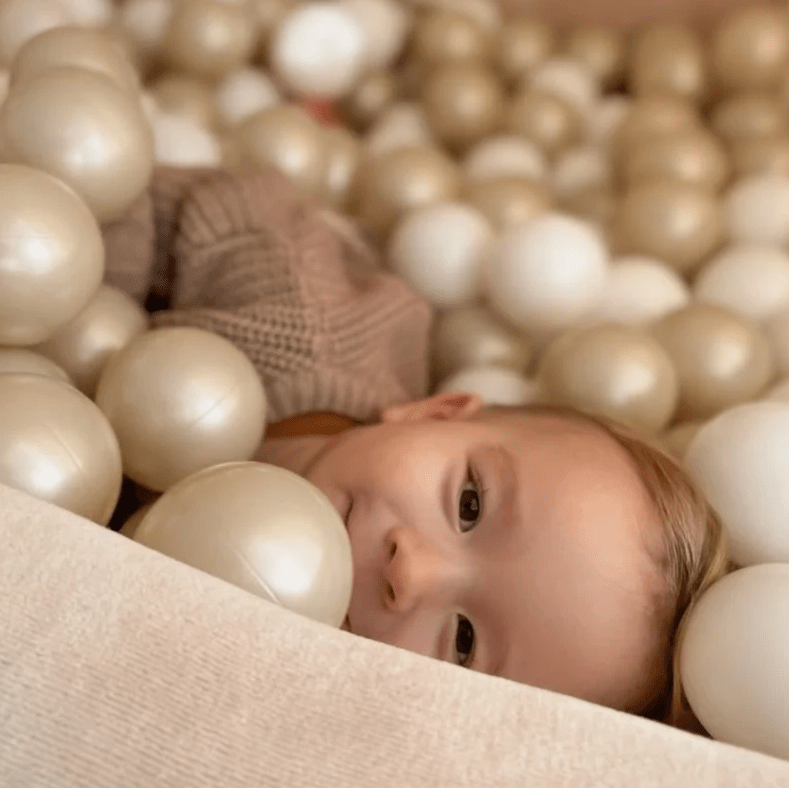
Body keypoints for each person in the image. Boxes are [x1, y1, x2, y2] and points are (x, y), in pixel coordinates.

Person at [103, 165, 732, 730]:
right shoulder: (295, 318)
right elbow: (203, 202)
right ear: (435, 411)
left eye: (462, 643)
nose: (413, 572)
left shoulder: (287, 699)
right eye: (468, 504)